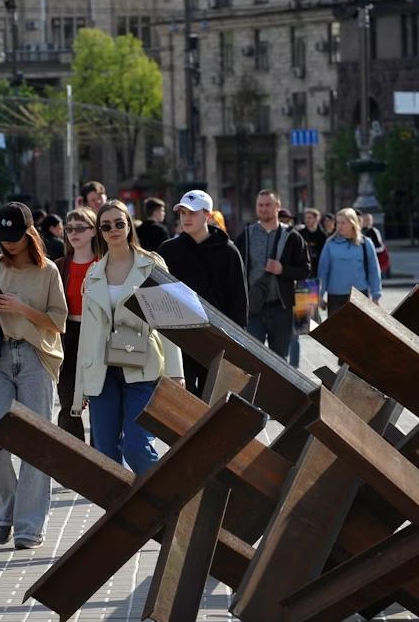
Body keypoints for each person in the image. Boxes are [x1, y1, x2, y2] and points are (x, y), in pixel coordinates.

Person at [0, 203, 66, 550]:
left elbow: (58, 321)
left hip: (35, 357)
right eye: (4, 238)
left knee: (35, 444)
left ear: (29, 234)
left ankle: (29, 526)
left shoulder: (48, 273)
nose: (8, 245)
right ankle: (6, 512)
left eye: (14, 238)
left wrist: (21, 308)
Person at [74, 199, 184, 475]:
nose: (113, 230)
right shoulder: (94, 272)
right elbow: (87, 331)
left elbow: (169, 320)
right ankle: (126, 514)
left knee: (136, 447)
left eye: (119, 223)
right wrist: (81, 387)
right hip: (102, 369)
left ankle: (165, 499)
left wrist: (175, 372)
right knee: (106, 455)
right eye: (106, 225)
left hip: (141, 364)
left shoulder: (151, 264)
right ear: (99, 231)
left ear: (129, 226)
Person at [158, 191, 247, 396]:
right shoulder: (167, 251)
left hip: (216, 342)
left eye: (193, 213)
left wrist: (236, 345)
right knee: (182, 405)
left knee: (213, 405)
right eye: (183, 212)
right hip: (178, 340)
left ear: (208, 215)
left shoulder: (229, 253)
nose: (186, 218)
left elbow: (238, 302)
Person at [234, 191, 310, 360]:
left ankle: (277, 388)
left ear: (278, 207)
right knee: (252, 358)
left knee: (279, 360)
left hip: (281, 309)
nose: (263, 209)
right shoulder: (247, 235)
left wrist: (283, 270)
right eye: (260, 205)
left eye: (268, 205)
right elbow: (234, 268)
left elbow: (306, 269)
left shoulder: (292, 237)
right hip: (253, 309)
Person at [54, 206, 98, 441]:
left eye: (80, 227)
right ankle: (73, 463)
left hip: (99, 335)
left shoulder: (104, 264)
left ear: (93, 231)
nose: (73, 232)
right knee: (69, 404)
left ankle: (101, 461)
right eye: (69, 228)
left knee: (100, 407)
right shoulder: (60, 265)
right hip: (68, 335)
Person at [318, 208, 382, 318]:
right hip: (336, 296)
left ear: (352, 223)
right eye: (338, 222)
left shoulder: (365, 243)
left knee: (359, 333)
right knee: (336, 333)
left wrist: (376, 296)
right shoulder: (330, 244)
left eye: (343, 223)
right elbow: (323, 271)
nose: (339, 226)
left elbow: (373, 270)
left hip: (359, 295)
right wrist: (319, 295)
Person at [290, 208, 328, 367]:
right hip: (302, 277)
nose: (308, 220)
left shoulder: (322, 236)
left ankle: (308, 325)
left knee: (309, 317)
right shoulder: (300, 234)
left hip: (315, 277)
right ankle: (302, 327)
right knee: (302, 320)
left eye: (310, 217)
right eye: (306, 217)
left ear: (317, 219)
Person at [360, 213, 390, 279]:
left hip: (373, 259)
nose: (367, 222)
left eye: (369, 220)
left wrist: (370, 250)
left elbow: (380, 247)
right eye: (365, 220)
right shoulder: (359, 232)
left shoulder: (374, 231)